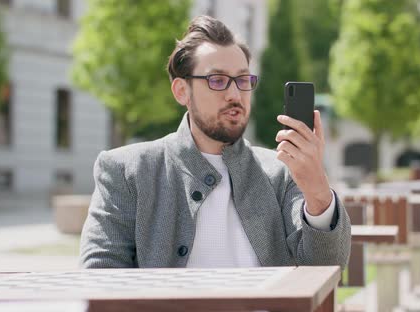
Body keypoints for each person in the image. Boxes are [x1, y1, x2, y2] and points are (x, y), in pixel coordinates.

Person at [80, 15, 350, 269]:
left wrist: (317, 192)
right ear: (181, 91)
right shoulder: (127, 171)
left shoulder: (281, 173)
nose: (235, 93)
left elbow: (326, 268)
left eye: (243, 80)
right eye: (217, 80)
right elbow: (101, 276)